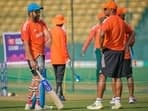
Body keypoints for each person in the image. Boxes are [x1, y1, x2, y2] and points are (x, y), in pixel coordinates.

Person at [87, 0, 135, 110]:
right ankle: (117, 102)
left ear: (112, 9)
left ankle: (98, 102)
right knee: (117, 77)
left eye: (106, 9)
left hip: (109, 52)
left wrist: (102, 45)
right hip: (120, 52)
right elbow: (132, 32)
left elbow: (102, 33)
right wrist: (126, 45)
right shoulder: (121, 21)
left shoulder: (107, 21)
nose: (104, 11)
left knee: (102, 75)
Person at [21, 3, 51, 110]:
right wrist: (31, 60)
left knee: (35, 78)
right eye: (37, 12)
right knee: (38, 78)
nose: (39, 14)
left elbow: (47, 34)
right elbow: (26, 45)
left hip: (42, 53)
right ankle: (38, 103)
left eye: (39, 11)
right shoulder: (26, 26)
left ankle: (28, 102)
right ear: (30, 13)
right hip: (33, 55)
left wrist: (48, 39)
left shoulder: (42, 23)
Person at [110, 7, 136, 104]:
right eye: (123, 14)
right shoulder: (126, 25)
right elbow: (132, 41)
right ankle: (131, 97)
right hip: (125, 55)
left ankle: (115, 97)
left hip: (115, 55)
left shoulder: (114, 24)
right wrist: (127, 44)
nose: (125, 15)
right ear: (120, 15)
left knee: (115, 77)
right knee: (128, 76)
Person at [49, 14, 70, 101]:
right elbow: (64, 46)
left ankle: (60, 95)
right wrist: (67, 58)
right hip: (61, 59)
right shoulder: (62, 32)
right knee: (60, 78)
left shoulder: (51, 31)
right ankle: (58, 94)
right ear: (62, 23)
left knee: (57, 78)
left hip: (54, 58)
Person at [81, 12, 106, 83]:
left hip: (106, 49)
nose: (104, 19)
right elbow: (89, 38)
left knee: (105, 67)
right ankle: (98, 82)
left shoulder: (107, 26)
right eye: (103, 18)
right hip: (98, 49)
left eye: (105, 18)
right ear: (100, 19)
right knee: (99, 65)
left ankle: (103, 82)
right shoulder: (95, 28)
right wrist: (84, 48)